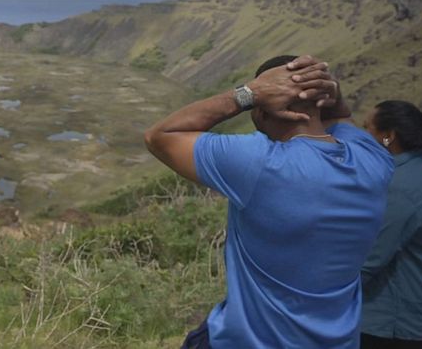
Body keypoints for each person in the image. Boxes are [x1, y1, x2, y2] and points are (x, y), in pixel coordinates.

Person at [144, 54, 393, 348]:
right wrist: (330, 92)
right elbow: (341, 119)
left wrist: (249, 93)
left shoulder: (260, 164)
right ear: (322, 101)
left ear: (261, 113)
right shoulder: (375, 160)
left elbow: (159, 136)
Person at [359, 100, 422, 348]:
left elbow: (368, 262)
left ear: (388, 137)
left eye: (367, 127)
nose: (362, 135)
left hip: (398, 321)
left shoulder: (400, 189)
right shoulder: (418, 166)